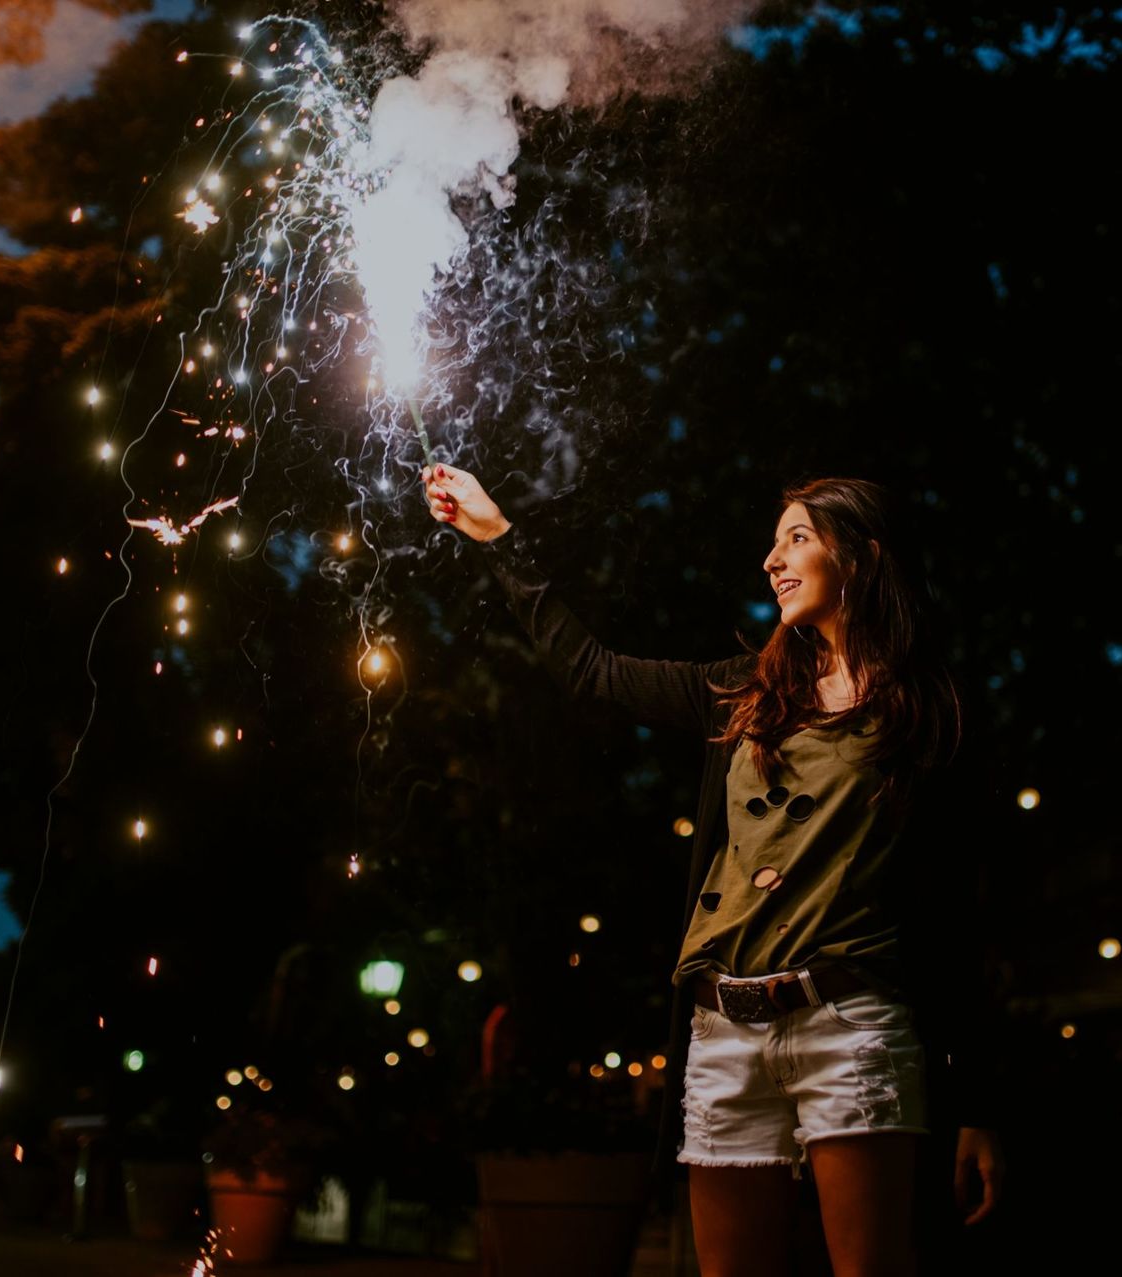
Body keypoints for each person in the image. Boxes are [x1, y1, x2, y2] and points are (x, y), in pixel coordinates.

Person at [424, 463, 1005, 1275]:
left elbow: (956, 912)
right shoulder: (741, 694)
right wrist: (497, 535)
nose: (772, 560)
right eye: (773, 543)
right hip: (724, 1030)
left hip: (851, 1025)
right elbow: (591, 668)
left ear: (863, 557)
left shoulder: (926, 709)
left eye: (796, 538)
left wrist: (978, 1102)